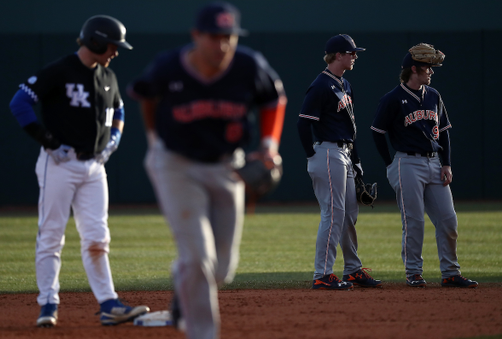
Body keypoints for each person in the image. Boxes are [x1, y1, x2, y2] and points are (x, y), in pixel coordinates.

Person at [127, 2, 286, 339]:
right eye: (214, 36)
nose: (222, 44)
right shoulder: (170, 66)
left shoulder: (248, 65)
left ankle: (183, 278)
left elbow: (274, 98)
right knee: (199, 258)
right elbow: (146, 96)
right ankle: (202, 332)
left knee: (222, 269)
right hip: (177, 165)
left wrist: (270, 144)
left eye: (228, 36)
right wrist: (154, 141)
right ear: (196, 36)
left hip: (227, 166)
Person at [9, 15, 150, 327]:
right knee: (51, 234)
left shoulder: (108, 76)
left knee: (98, 237)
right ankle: (48, 303)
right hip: (59, 162)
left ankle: (109, 304)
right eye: (112, 45)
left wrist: (113, 139)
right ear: (96, 41)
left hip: (93, 166)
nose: (115, 51)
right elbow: (19, 102)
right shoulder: (60, 71)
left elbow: (120, 110)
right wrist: (47, 141)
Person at [370, 43, 478, 288]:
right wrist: (390, 164)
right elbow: (377, 132)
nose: (431, 71)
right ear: (413, 69)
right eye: (427, 67)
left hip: (434, 162)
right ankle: (414, 273)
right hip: (406, 162)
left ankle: (450, 273)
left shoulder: (434, 95)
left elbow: (445, 132)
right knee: (414, 221)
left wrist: (447, 164)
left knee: (448, 220)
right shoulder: (392, 99)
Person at [297, 34, 382, 290]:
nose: (355, 56)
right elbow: (303, 123)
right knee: (333, 214)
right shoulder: (320, 85)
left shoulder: (345, 84)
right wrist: (312, 156)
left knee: (348, 214)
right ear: (337, 55)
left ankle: (353, 270)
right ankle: (322, 274)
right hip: (327, 152)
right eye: (351, 52)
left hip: (344, 153)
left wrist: (356, 162)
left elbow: (350, 128)